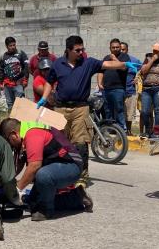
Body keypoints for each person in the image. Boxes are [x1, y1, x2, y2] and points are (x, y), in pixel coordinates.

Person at [38, 35, 139, 187]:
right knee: (59, 142)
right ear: (68, 50)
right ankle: (61, 173)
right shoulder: (57, 64)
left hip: (80, 108)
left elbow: (106, 64)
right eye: (77, 50)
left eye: (82, 49)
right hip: (60, 109)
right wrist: (44, 98)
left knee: (80, 143)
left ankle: (81, 176)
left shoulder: (88, 62)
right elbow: (49, 82)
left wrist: (124, 64)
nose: (81, 52)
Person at [0, 118, 93, 220]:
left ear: (14, 134)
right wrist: (7, 182)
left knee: (42, 175)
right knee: (32, 202)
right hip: (55, 166)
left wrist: (16, 189)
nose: (10, 145)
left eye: (8, 140)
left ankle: (46, 210)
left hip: (71, 166)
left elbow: (34, 166)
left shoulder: (33, 134)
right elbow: (19, 162)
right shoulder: (23, 134)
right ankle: (77, 197)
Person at [98, 38, 130, 130]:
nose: (115, 49)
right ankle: (110, 129)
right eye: (113, 47)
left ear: (120, 47)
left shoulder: (124, 57)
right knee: (107, 110)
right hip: (106, 89)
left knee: (119, 109)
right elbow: (101, 71)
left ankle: (122, 129)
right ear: (110, 48)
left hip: (118, 89)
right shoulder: (106, 58)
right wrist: (100, 83)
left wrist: (114, 58)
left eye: (117, 47)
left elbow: (123, 68)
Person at [0, 37, 29, 111]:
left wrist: (25, 80)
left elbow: (26, 67)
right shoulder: (3, 56)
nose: (13, 47)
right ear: (6, 46)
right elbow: (1, 70)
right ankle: (11, 121)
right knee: (10, 104)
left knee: (20, 104)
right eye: (10, 45)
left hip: (18, 83)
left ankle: (20, 121)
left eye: (14, 45)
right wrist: (0, 82)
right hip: (7, 84)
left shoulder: (21, 54)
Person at [120, 42, 141, 136]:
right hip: (118, 91)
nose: (121, 51)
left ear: (127, 50)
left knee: (129, 113)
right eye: (120, 49)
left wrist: (138, 77)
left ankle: (128, 131)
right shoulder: (115, 60)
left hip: (130, 91)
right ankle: (119, 131)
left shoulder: (134, 60)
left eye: (123, 49)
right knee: (120, 112)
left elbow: (143, 68)